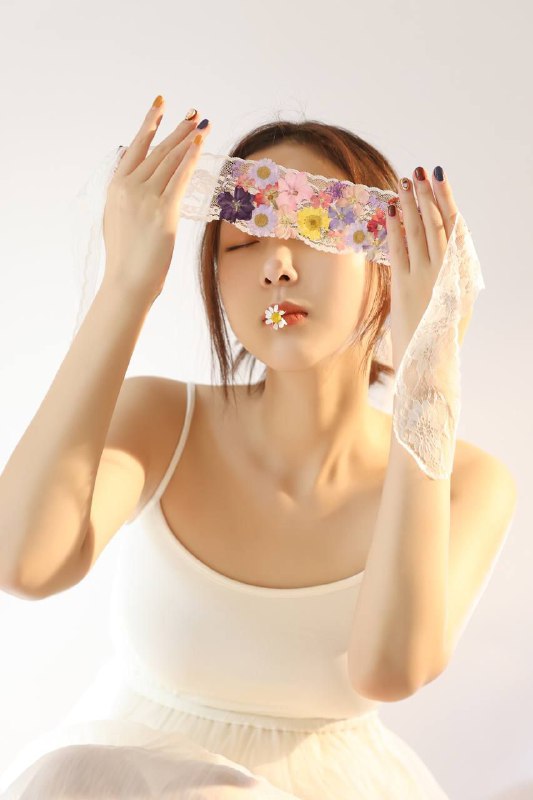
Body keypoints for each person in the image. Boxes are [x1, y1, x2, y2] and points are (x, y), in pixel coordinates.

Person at [0, 96, 516, 799]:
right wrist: (126, 285)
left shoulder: (471, 482)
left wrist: (430, 364)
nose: (275, 264)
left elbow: (389, 670)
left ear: (390, 261)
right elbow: (23, 562)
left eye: (314, 228)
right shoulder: (160, 421)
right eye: (240, 243)